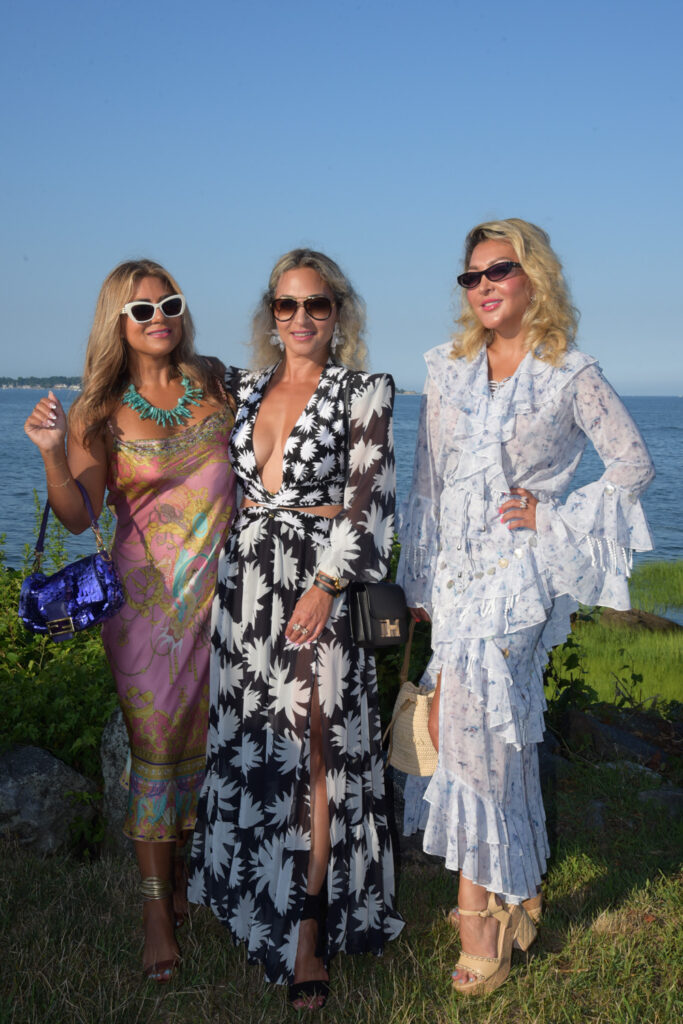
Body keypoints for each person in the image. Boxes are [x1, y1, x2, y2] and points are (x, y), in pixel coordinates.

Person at [397, 218, 654, 996]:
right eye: (471, 276)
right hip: (454, 582)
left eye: (498, 270)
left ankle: (478, 921)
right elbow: (426, 481)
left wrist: (555, 517)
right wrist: (416, 581)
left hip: (515, 582)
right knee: (481, 734)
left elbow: (631, 463)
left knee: (473, 735)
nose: (483, 286)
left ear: (532, 276)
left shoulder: (568, 373)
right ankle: (521, 890)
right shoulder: (446, 370)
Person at [188, 248, 403, 1009]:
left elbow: (371, 500)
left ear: (338, 312)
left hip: (319, 583)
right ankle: (255, 896)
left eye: (316, 304)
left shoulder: (363, 391)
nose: (301, 317)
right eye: (287, 304)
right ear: (271, 313)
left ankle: (309, 926)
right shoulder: (243, 389)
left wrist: (326, 584)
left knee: (318, 748)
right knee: (256, 740)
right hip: (247, 586)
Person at [24, 259, 236, 981]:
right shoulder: (98, 412)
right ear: (117, 321)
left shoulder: (217, 382)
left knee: (211, 747)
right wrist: (53, 454)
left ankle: (185, 884)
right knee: (155, 753)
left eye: (169, 303)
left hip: (228, 603)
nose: (159, 318)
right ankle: (155, 914)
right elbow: (79, 514)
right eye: (141, 310)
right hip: (147, 614)